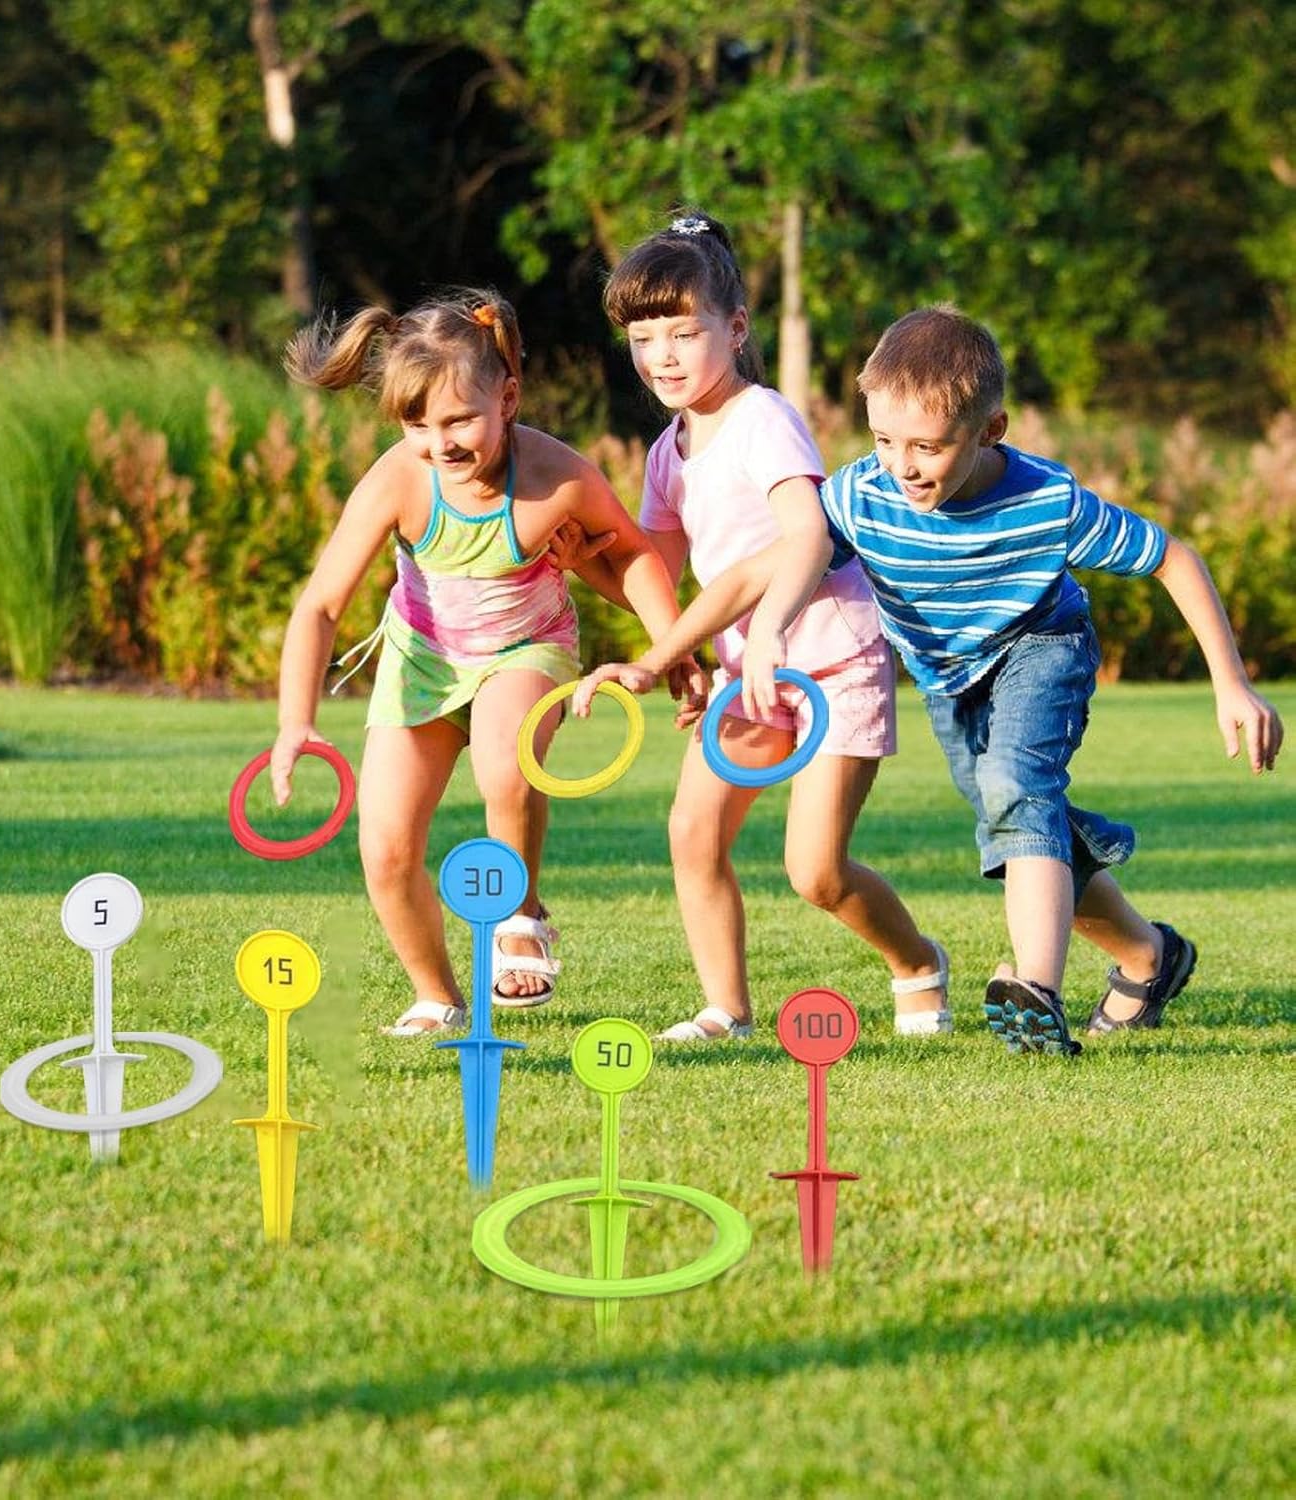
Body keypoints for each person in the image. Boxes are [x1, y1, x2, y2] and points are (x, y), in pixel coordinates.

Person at [584, 303, 1284, 1054]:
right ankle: (1148, 954)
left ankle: (1036, 994)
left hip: (1041, 646)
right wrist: (661, 657)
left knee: (1016, 791)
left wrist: (1231, 684)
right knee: (1020, 823)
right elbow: (760, 571)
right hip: (949, 679)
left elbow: (1173, 557)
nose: (904, 466)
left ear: (991, 430)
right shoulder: (865, 495)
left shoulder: (1047, 503)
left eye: (928, 446)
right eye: (884, 440)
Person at [564, 213, 950, 1043]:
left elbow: (806, 536)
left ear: (735, 329)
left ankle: (917, 963)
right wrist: (580, 567)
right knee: (692, 830)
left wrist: (767, 629)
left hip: (832, 658)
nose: (662, 356)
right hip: (751, 671)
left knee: (815, 872)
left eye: (683, 333)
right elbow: (655, 579)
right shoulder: (666, 453)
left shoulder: (763, 419)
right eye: (642, 338)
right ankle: (726, 1010)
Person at [273, 290, 681, 1035]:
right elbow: (321, 605)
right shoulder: (400, 479)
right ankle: (437, 995)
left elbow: (632, 556)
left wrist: (671, 649)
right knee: (385, 848)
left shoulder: (555, 476)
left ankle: (520, 916)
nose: (441, 444)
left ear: (508, 398)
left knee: (505, 762)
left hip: (527, 649)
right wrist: (295, 723)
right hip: (423, 661)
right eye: (418, 425)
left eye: (460, 420)